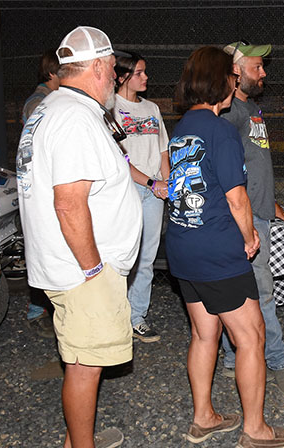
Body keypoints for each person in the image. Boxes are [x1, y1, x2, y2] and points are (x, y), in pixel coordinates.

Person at [16, 26, 144, 448]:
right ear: (96, 67)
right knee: (86, 363)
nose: (117, 75)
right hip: (83, 268)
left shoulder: (55, 108)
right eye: (112, 66)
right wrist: (94, 269)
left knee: (80, 356)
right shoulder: (73, 118)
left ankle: (77, 441)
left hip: (71, 264)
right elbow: (69, 203)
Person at [166, 46, 284, 448]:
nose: (236, 83)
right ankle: (255, 430)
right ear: (221, 81)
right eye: (232, 77)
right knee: (251, 336)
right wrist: (249, 237)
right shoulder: (220, 130)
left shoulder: (182, 127)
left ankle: (203, 417)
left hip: (183, 245)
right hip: (218, 249)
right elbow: (237, 197)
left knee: (204, 334)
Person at [219, 41, 284, 396]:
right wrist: (247, 219)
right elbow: (227, 173)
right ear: (236, 72)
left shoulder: (250, 108)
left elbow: (253, 164)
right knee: (260, 293)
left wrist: (271, 203)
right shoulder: (229, 113)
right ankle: (279, 361)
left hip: (258, 211)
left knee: (238, 289)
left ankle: (230, 359)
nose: (264, 73)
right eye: (257, 67)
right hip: (243, 219)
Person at [112, 52, 170, 343]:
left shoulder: (152, 108)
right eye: (139, 73)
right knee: (123, 256)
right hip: (129, 190)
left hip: (154, 191)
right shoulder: (110, 108)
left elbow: (162, 150)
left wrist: (166, 182)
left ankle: (137, 317)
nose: (145, 78)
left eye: (145, 72)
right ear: (122, 76)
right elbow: (118, 158)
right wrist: (150, 181)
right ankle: (115, 317)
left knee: (147, 257)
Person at [21, 49, 61, 339]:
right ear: (51, 73)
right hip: (43, 185)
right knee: (45, 247)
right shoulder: (40, 102)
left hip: (45, 183)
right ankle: (37, 310)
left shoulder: (47, 99)